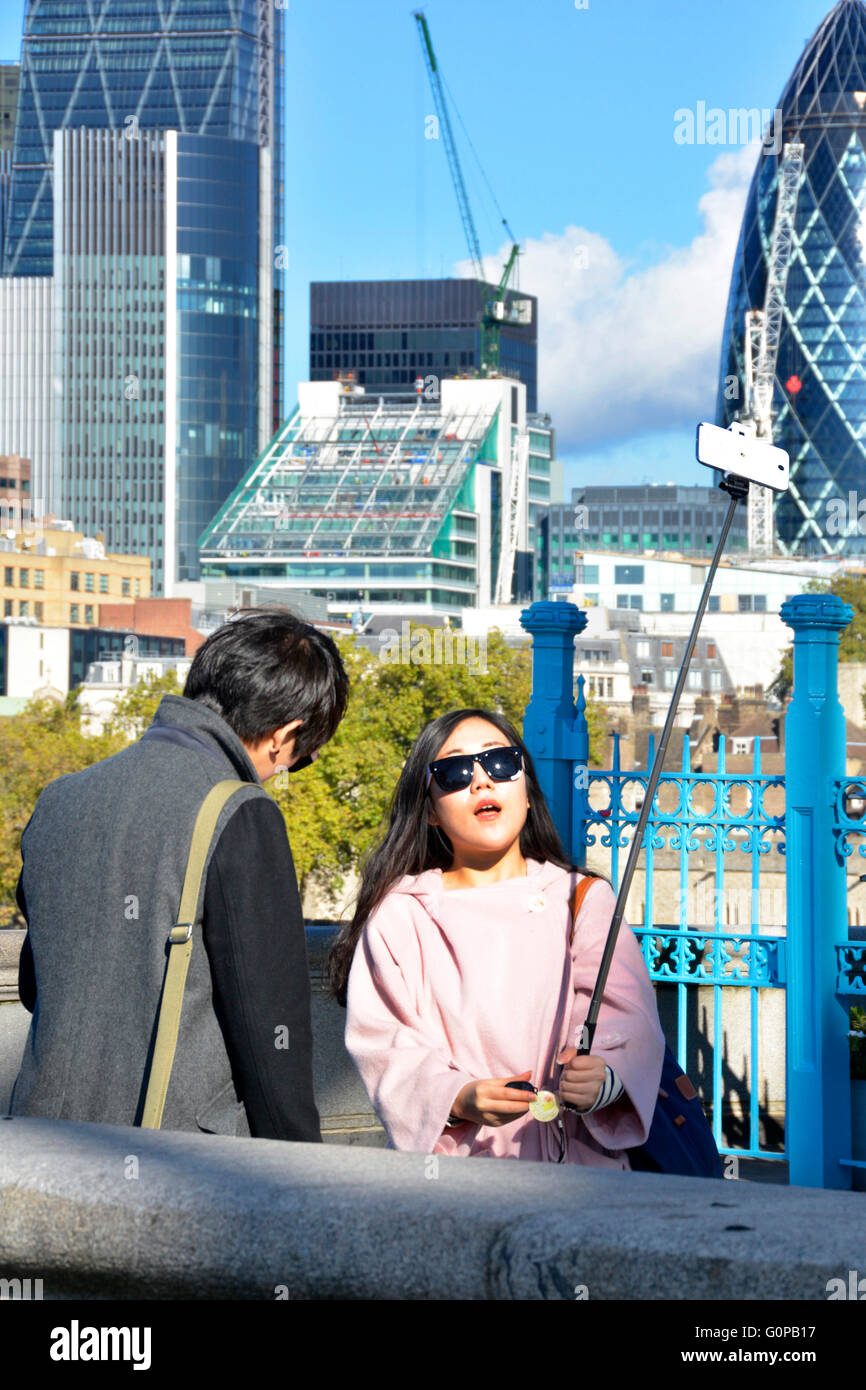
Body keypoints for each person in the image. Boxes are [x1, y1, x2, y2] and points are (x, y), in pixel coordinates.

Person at [10, 607, 348, 1140]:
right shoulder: (240, 812)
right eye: (300, 759)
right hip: (178, 1165)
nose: (287, 771)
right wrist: (302, 1172)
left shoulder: (60, 800)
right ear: (285, 736)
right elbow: (270, 1035)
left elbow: (39, 984)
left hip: (38, 1140)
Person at [329, 707, 664, 1165]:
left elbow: (628, 1017)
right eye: (454, 771)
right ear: (429, 810)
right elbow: (384, 1041)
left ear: (527, 790)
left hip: (580, 1176)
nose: (482, 781)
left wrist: (605, 1076)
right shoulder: (401, 915)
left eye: (501, 762)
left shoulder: (582, 898)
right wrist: (458, 1097)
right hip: (455, 1177)